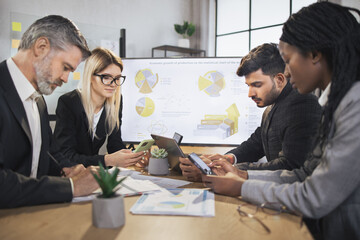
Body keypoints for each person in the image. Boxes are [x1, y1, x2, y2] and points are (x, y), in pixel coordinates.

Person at [202, 2, 360, 239]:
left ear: (315, 54)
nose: (285, 72)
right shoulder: (337, 102)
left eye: (287, 59)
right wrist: (241, 174)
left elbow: (314, 195)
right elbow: (304, 174)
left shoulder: (352, 106)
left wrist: (243, 185)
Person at [180, 43, 321, 181]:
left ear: (279, 80)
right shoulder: (271, 107)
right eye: (248, 85)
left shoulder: (302, 104)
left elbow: (290, 166)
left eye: (257, 85)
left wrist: (228, 170)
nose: (250, 93)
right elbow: (255, 144)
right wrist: (227, 159)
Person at [0, 15, 99, 208]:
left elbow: (48, 151)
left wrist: (68, 168)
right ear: (41, 47)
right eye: (65, 67)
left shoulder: (38, 100)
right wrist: (71, 187)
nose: (65, 78)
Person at [52, 47, 146, 168]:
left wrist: (132, 157)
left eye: (117, 78)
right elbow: (65, 156)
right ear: (90, 76)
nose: (113, 84)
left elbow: (115, 145)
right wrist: (107, 160)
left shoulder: (115, 101)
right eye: (106, 77)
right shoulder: (69, 103)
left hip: (93, 174)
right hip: (70, 174)